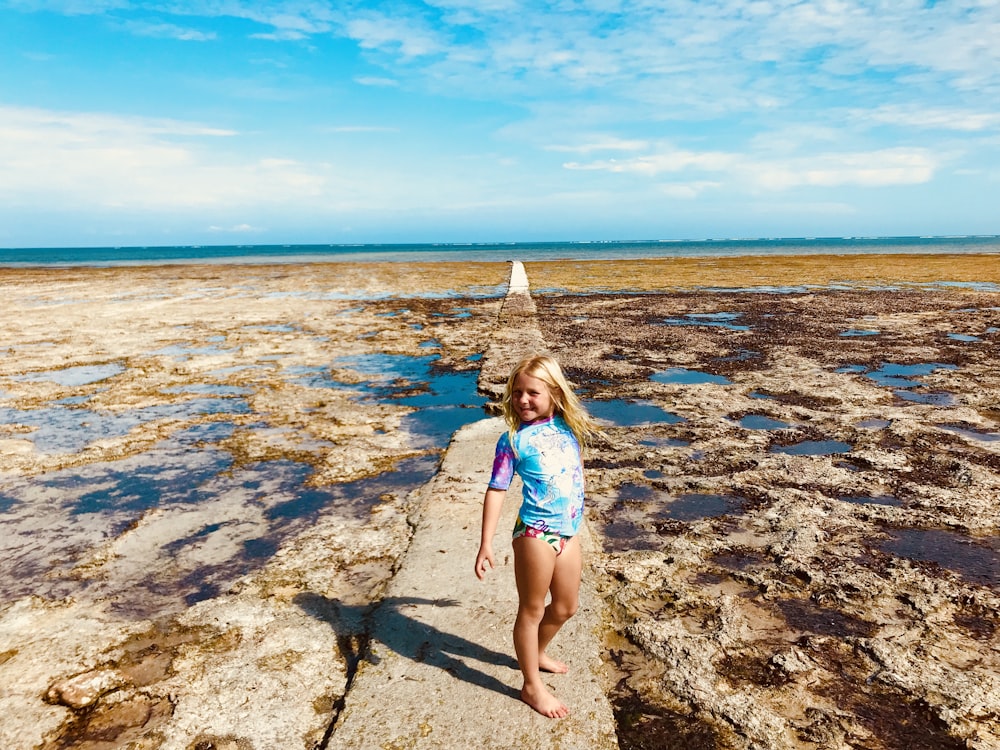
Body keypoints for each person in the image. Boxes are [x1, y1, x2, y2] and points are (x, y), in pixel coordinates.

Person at [474, 353, 601, 718]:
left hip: (568, 533)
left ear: (555, 395)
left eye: (533, 392)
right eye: (517, 392)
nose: (523, 400)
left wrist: (577, 505)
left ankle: (537, 653)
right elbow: (497, 490)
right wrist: (485, 543)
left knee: (565, 607)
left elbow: (577, 469)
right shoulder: (512, 440)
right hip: (534, 533)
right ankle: (531, 685)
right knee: (531, 610)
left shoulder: (569, 428)